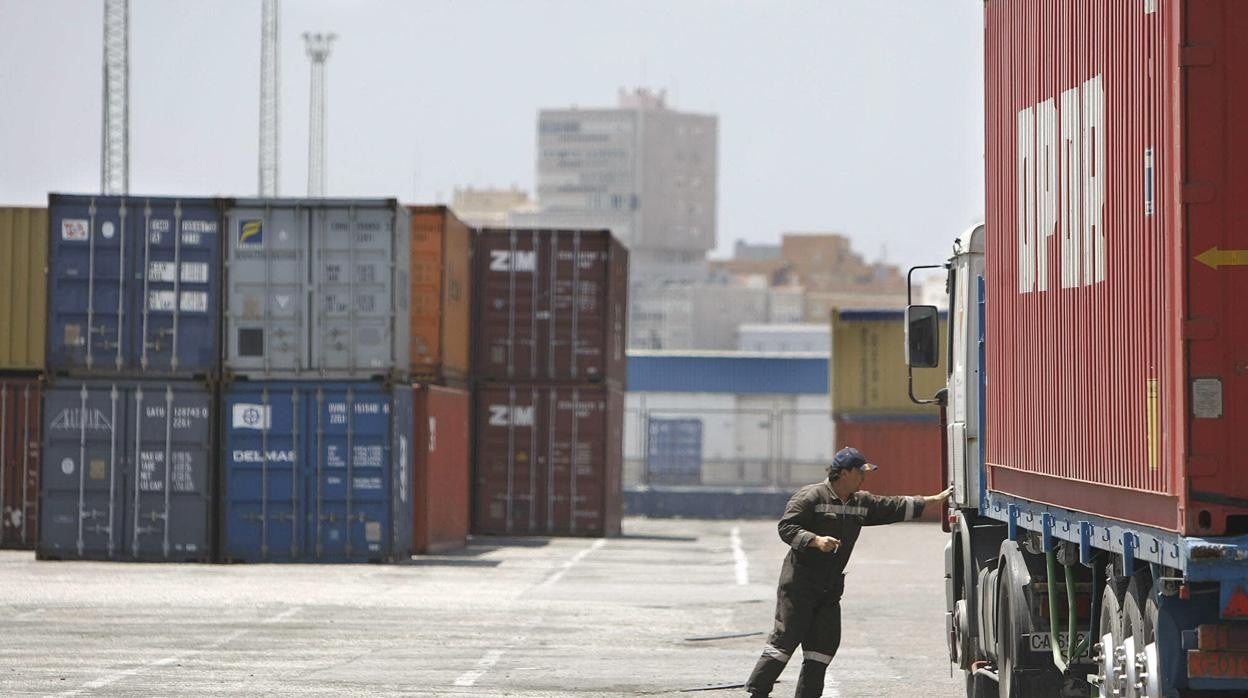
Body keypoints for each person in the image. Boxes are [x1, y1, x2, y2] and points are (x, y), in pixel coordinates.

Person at [744, 446, 954, 698]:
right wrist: (815, 540)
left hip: (830, 587)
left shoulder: (860, 501)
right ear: (843, 473)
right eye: (860, 472)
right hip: (800, 584)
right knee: (785, 641)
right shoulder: (811, 497)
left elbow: (893, 506)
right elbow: (786, 527)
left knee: (823, 646)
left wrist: (934, 499)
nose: (864, 477)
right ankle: (758, 691)